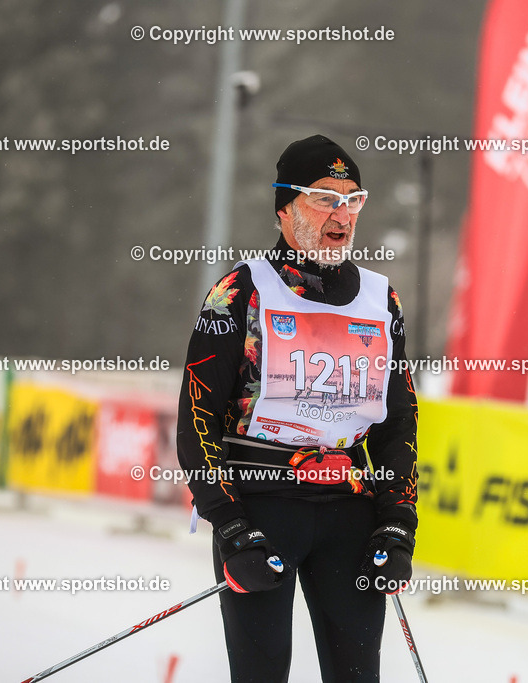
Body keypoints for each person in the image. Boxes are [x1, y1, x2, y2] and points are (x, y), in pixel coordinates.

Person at [176, 134, 419, 683]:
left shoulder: (382, 301)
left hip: (350, 515)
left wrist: (397, 523)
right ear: (285, 208)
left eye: (354, 199)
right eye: (324, 198)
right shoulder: (240, 292)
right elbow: (197, 421)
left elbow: (398, 421)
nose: (343, 214)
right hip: (262, 510)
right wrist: (233, 528)